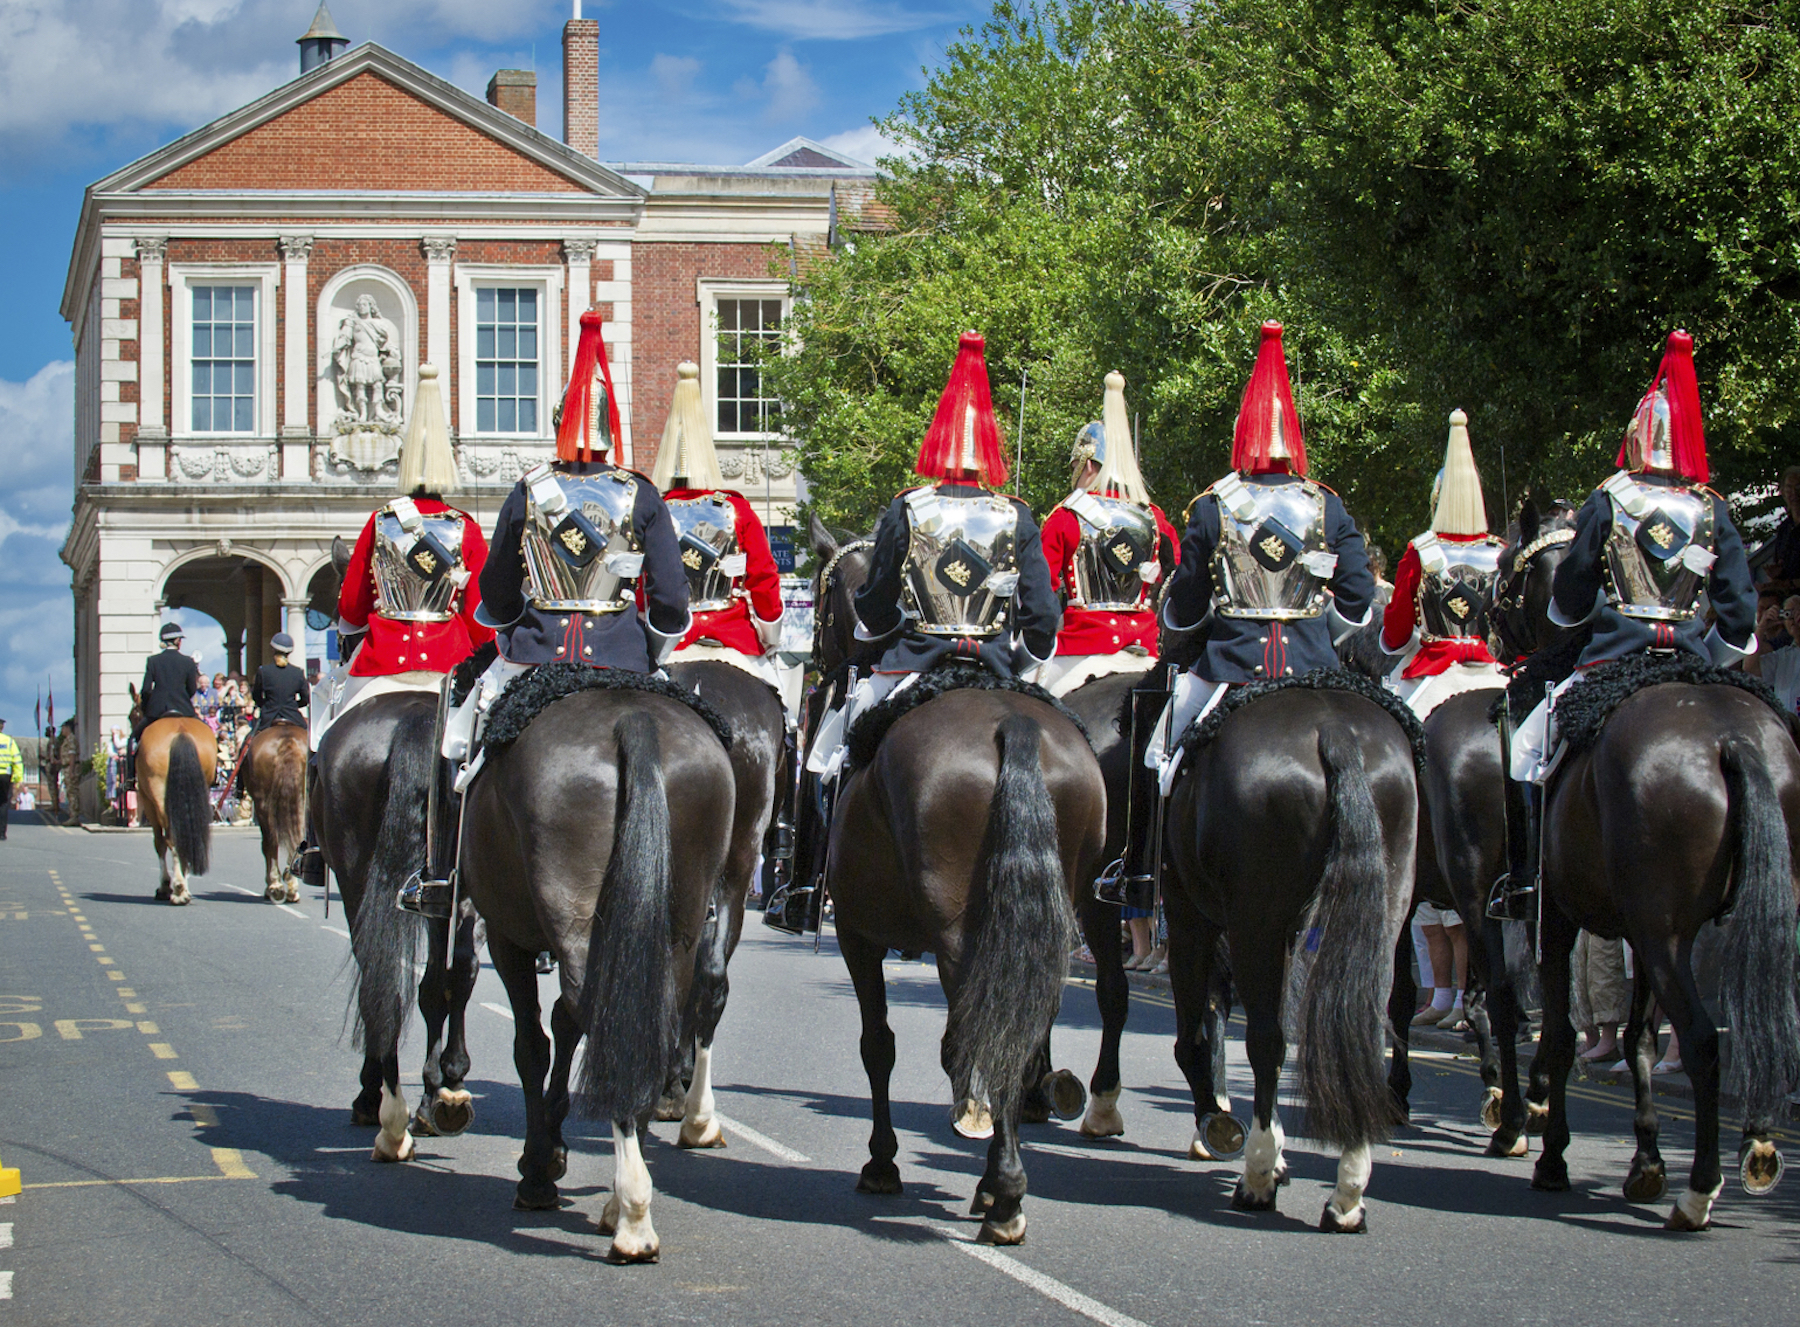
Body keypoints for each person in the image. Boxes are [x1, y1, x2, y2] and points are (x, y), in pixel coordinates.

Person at [414, 310, 690, 913]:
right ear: (610, 427)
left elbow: (497, 592)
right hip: (623, 660)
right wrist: (651, 647)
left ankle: (444, 877)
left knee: (457, 741)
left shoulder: (529, 488)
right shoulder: (640, 492)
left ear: (559, 423)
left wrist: (509, 621)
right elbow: (671, 604)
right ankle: (703, 890)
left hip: (534, 656)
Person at [1497, 329, 1757, 919]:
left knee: (1526, 749)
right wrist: (1703, 660)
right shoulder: (1711, 507)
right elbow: (1741, 621)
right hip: (1694, 666)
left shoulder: (1610, 498)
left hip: (1610, 665)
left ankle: (1531, 883)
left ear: (1635, 440)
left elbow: (1568, 601)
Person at [802, 330, 1060, 786]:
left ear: (940, 440)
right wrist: (1013, 662)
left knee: (828, 759)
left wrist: (885, 625)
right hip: (996, 666)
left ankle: (818, 853)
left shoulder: (909, 507)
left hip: (912, 662)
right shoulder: (1016, 514)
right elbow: (1042, 622)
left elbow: (875, 608)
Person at [1146, 321, 1375, 790]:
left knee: (1157, 754)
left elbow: (1187, 604)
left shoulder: (1213, 505)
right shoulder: (1324, 503)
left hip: (1228, 665)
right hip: (1316, 664)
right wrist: (1316, 629)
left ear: (1242, 434)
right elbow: (1357, 594)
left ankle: (1144, 863)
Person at [1036, 371, 1179, 929]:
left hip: (1077, 656)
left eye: (1080, 465)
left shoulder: (1066, 517)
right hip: (1144, 655)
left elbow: (1044, 597)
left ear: (1087, 463)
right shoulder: (1155, 518)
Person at [322, 362, 493, 742]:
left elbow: (351, 608)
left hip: (381, 660)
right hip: (449, 661)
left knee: (326, 731)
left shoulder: (381, 521)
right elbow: (480, 619)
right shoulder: (465, 527)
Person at [653, 360, 789, 693]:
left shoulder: (653, 509)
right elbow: (764, 581)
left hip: (673, 645)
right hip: (735, 638)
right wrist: (770, 637)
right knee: (781, 713)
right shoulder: (735, 508)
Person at [1380, 409, 1508, 718]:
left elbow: (1396, 633)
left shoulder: (1419, 551)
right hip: (1495, 668)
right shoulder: (1500, 552)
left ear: (1435, 501)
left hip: (1433, 669)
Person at [138, 622, 202, 735]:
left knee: (133, 738)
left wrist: (147, 707)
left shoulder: (153, 661)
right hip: (183, 708)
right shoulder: (188, 661)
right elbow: (192, 689)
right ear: (178, 641)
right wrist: (182, 697)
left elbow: (146, 690)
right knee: (207, 733)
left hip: (157, 710)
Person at [1743, 592, 1800, 713]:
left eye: (1797, 612)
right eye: (1788, 614)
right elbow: (1750, 667)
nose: (1794, 619)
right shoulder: (1784, 656)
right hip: (1788, 726)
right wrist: (1761, 627)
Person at [251, 633, 310, 731]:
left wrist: (267, 705)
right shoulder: (298, 672)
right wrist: (293, 705)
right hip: (293, 716)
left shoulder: (263, 671)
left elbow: (256, 696)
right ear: (289, 652)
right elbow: (306, 699)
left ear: (273, 650)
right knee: (310, 741)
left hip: (269, 718)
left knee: (250, 740)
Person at [0, 719, 21, 839]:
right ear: (2, 727)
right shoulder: (9, 741)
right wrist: (17, 779)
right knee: (3, 804)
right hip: (4, 776)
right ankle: (1, 833)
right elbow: (17, 761)